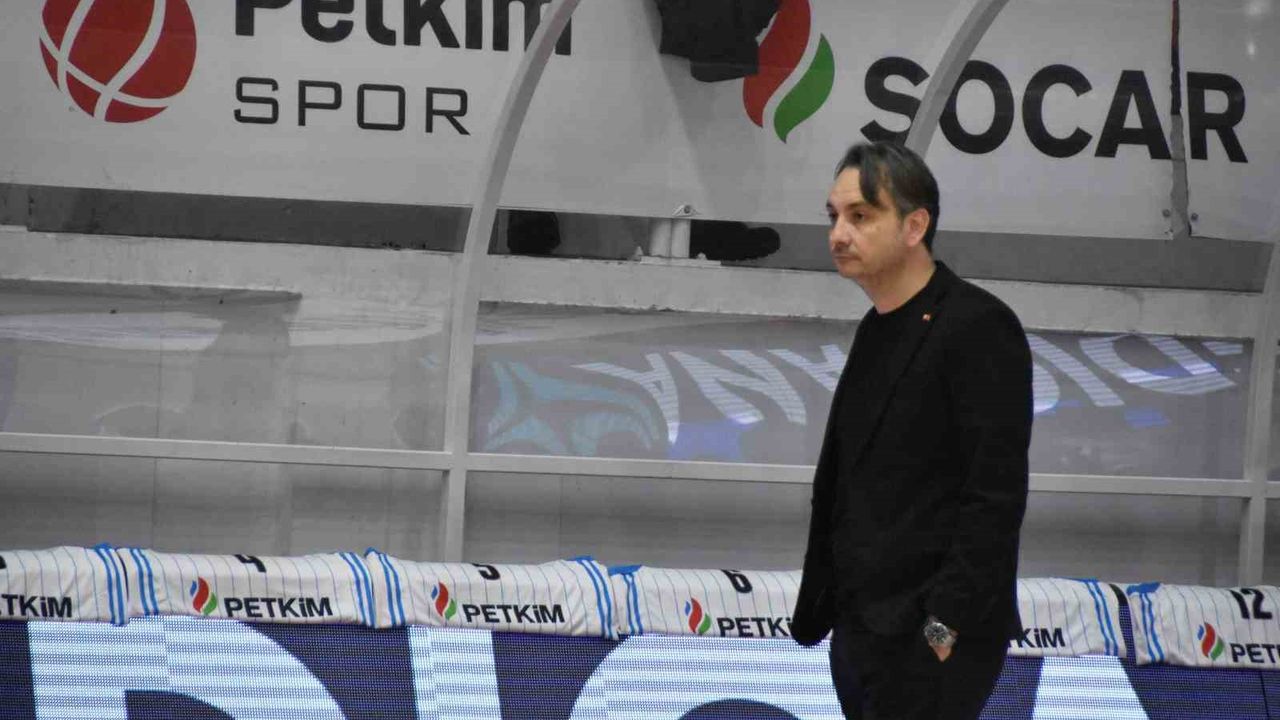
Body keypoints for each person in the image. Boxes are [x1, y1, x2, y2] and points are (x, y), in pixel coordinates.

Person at [791, 141, 1033, 720]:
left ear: (915, 225)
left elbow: (994, 498)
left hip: (932, 636)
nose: (839, 234)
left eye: (860, 216)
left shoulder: (978, 326)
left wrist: (943, 628)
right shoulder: (875, 329)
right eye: (834, 216)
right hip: (863, 630)